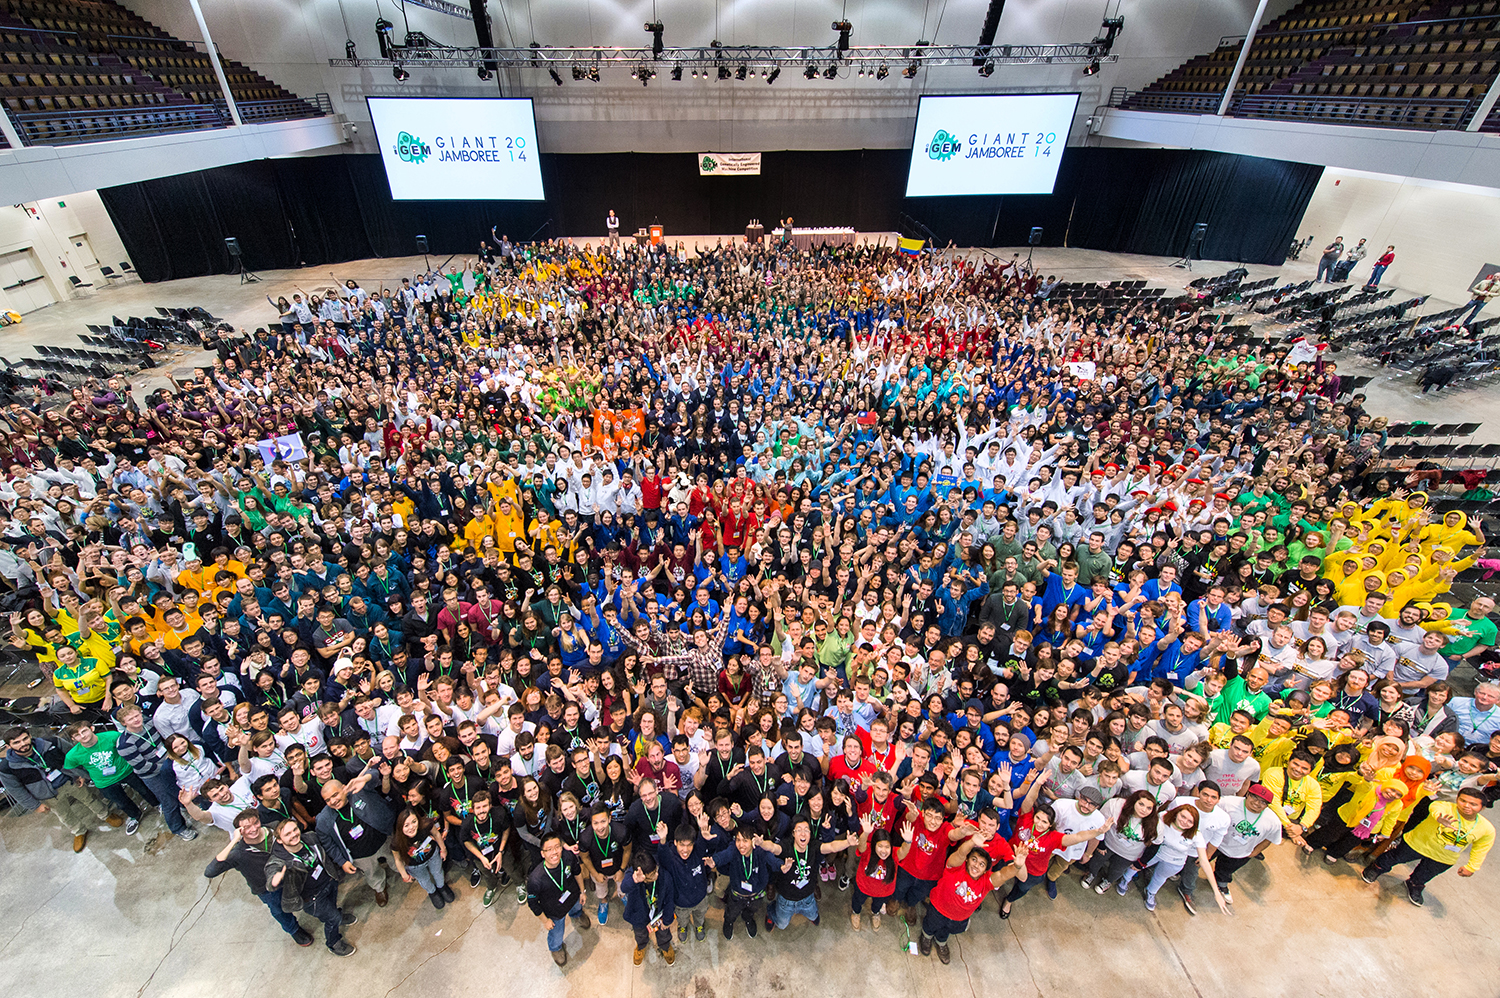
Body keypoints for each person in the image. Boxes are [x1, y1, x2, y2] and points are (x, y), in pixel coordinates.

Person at [1362, 787, 1494, 906]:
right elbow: (1435, 809)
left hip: (1444, 856)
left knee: (1427, 873)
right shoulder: (1443, 806)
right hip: (1417, 843)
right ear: (1457, 799)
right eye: (1463, 800)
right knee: (1394, 857)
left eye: (1473, 804)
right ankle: (1376, 868)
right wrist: (1439, 818)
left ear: (1482, 807)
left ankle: (1415, 884)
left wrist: (1472, 867)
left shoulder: (1487, 829)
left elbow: (1481, 849)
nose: (1466, 806)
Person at [0, 726, 122, 851]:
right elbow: (15, 790)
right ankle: (79, 831)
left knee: (89, 799)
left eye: (25, 739)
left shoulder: (51, 742)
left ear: (30, 736)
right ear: (8, 746)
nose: (23, 744)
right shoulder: (7, 767)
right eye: (16, 742)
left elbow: (72, 755)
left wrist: (79, 774)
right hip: (47, 795)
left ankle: (106, 815)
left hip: (69, 781)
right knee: (64, 814)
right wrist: (35, 806)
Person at [204, 810, 313, 946]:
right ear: (239, 831)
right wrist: (233, 842)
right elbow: (210, 871)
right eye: (247, 827)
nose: (253, 828)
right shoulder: (238, 853)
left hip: (292, 874)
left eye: (255, 823)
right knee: (279, 910)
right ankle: (294, 930)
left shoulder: (274, 828)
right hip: (267, 888)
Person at [920, 833, 1026, 965]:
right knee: (930, 925)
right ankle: (926, 936)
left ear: (985, 870)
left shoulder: (987, 881)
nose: (976, 865)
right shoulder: (955, 867)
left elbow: (1003, 875)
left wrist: (1017, 866)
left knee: (945, 931)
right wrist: (971, 842)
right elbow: (959, 853)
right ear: (967, 860)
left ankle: (941, 942)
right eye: (974, 860)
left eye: (982, 864)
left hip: (959, 918)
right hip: (938, 909)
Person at [264, 818, 358, 956]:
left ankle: (336, 915)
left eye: (295, 829)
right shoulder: (279, 860)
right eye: (287, 834)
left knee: (332, 907)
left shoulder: (310, 838)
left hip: (328, 882)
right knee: (333, 919)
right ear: (279, 840)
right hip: (312, 898)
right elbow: (271, 876)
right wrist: (274, 880)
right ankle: (333, 943)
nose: (294, 835)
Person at [115, 704, 198, 841]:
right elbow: (142, 766)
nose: (136, 720)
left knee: (181, 789)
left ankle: (186, 807)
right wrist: (168, 766)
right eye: (131, 719)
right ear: (124, 723)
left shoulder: (148, 723)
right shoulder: (125, 744)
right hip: (153, 774)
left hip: (168, 763)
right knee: (168, 802)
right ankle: (178, 828)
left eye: (137, 715)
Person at [62, 721, 151, 836]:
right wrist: (84, 776)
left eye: (84, 731)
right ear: (73, 739)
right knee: (121, 802)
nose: (83, 736)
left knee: (144, 789)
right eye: (77, 735)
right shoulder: (72, 755)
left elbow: (127, 746)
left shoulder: (112, 736)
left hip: (126, 771)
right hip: (104, 781)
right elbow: (69, 767)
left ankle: (158, 804)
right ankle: (134, 816)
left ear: (92, 728)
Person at [526, 832, 592, 966]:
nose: (554, 852)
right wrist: (545, 921)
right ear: (542, 853)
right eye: (549, 849)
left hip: (573, 897)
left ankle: (577, 915)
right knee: (556, 935)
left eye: (557, 847)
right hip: (554, 912)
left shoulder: (568, 857)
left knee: (577, 908)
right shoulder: (535, 879)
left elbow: (577, 873)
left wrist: (582, 891)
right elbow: (533, 903)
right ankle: (555, 948)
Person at [1212, 783, 1283, 904]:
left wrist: (1255, 852)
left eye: (1263, 802)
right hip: (1215, 842)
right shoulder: (1227, 802)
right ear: (1247, 795)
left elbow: (1271, 839)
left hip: (1240, 851)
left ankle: (1221, 883)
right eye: (1254, 797)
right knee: (1197, 860)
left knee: (1226, 869)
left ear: (1267, 806)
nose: (1257, 803)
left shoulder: (1273, 821)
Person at [707, 824, 776, 940]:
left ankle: (748, 919)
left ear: (753, 841)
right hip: (737, 894)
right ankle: (728, 922)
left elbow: (773, 859)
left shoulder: (759, 851)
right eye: (738, 840)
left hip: (756, 895)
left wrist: (782, 866)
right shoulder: (734, 849)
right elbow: (725, 855)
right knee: (731, 912)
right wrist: (715, 861)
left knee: (751, 911)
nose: (741, 844)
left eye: (745, 840)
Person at [391, 807, 453, 908]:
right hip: (414, 865)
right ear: (400, 827)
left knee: (438, 872)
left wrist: (443, 849)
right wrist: (404, 874)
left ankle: (442, 887)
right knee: (424, 880)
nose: (411, 827)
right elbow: (397, 859)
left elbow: (436, 834)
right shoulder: (396, 841)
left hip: (432, 856)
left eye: (414, 822)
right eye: (406, 825)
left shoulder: (426, 824)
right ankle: (432, 893)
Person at [622, 850, 676, 965]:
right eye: (651, 876)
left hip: (658, 913)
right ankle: (641, 946)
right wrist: (634, 881)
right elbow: (624, 887)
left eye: (655, 870)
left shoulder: (663, 875)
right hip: (639, 915)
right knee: (640, 934)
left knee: (663, 932)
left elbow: (670, 900)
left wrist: (667, 920)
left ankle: (665, 946)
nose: (656, 875)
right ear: (643, 877)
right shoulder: (634, 875)